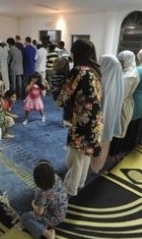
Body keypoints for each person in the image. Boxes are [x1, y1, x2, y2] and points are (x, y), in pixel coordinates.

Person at [56, 39, 103, 196]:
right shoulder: (95, 69)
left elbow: (63, 96)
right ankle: (81, 181)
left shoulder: (79, 71)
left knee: (76, 156)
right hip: (95, 119)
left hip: (82, 120)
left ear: (77, 53)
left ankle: (71, 188)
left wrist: (57, 95)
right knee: (85, 153)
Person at [21, 160, 68, 239]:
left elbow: (40, 212)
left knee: (25, 218)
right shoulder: (57, 178)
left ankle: (47, 234)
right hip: (61, 211)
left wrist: (33, 205)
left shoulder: (43, 194)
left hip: (54, 218)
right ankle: (45, 226)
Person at [90, 54, 124, 173]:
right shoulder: (119, 81)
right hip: (111, 119)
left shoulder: (104, 81)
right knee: (105, 143)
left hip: (99, 119)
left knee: (97, 144)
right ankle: (98, 166)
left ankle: (94, 167)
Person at [109, 50, 139, 160]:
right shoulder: (130, 71)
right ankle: (114, 153)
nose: (119, 63)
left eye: (121, 61)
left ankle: (113, 154)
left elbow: (121, 94)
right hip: (124, 103)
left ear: (127, 61)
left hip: (121, 105)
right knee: (120, 129)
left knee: (118, 130)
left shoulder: (128, 76)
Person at [50, 57, 70, 127]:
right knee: (66, 107)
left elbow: (53, 84)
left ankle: (65, 120)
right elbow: (64, 85)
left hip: (55, 94)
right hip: (61, 94)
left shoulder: (54, 75)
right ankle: (65, 121)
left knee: (64, 108)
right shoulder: (63, 76)